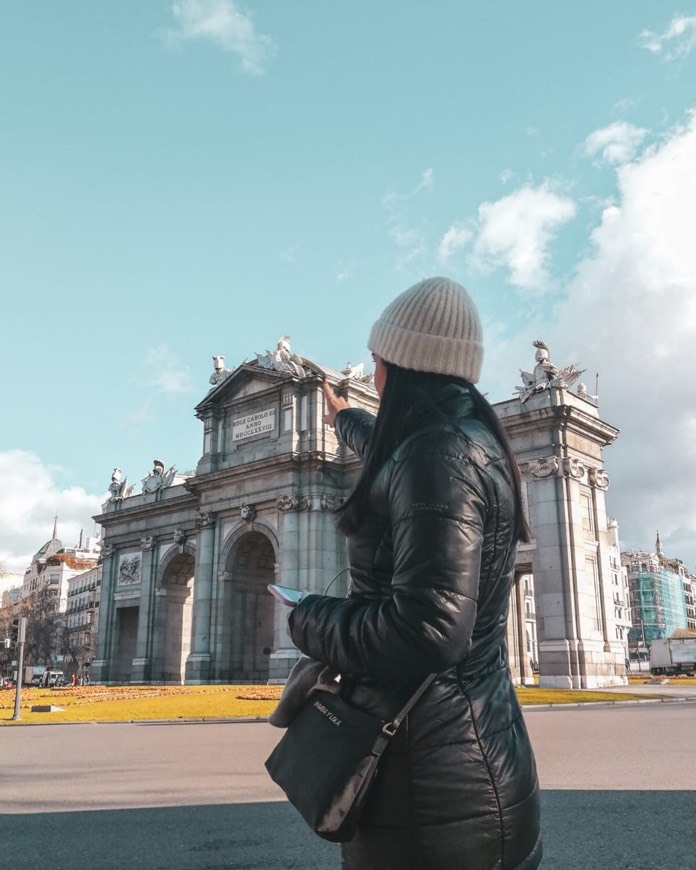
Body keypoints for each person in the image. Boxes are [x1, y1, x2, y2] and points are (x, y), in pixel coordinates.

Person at [287, 277, 542, 870]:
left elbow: (427, 628)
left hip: (435, 781)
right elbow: (391, 448)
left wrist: (307, 617)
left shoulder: (439, 455)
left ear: (403, 366)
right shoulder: (451, 440)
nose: (373, 370)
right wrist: (343, 416)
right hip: (453, 756)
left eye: (378, 358)